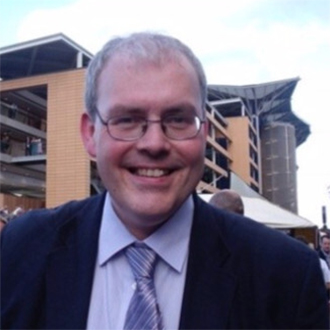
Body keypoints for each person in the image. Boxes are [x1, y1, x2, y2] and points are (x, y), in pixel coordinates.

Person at [1, 32, 328, 330]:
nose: (154, 143)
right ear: (90, 134)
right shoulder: (23, 248)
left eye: (177, 119)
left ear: (204, 135)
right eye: (127, 119)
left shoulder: (286, 276)